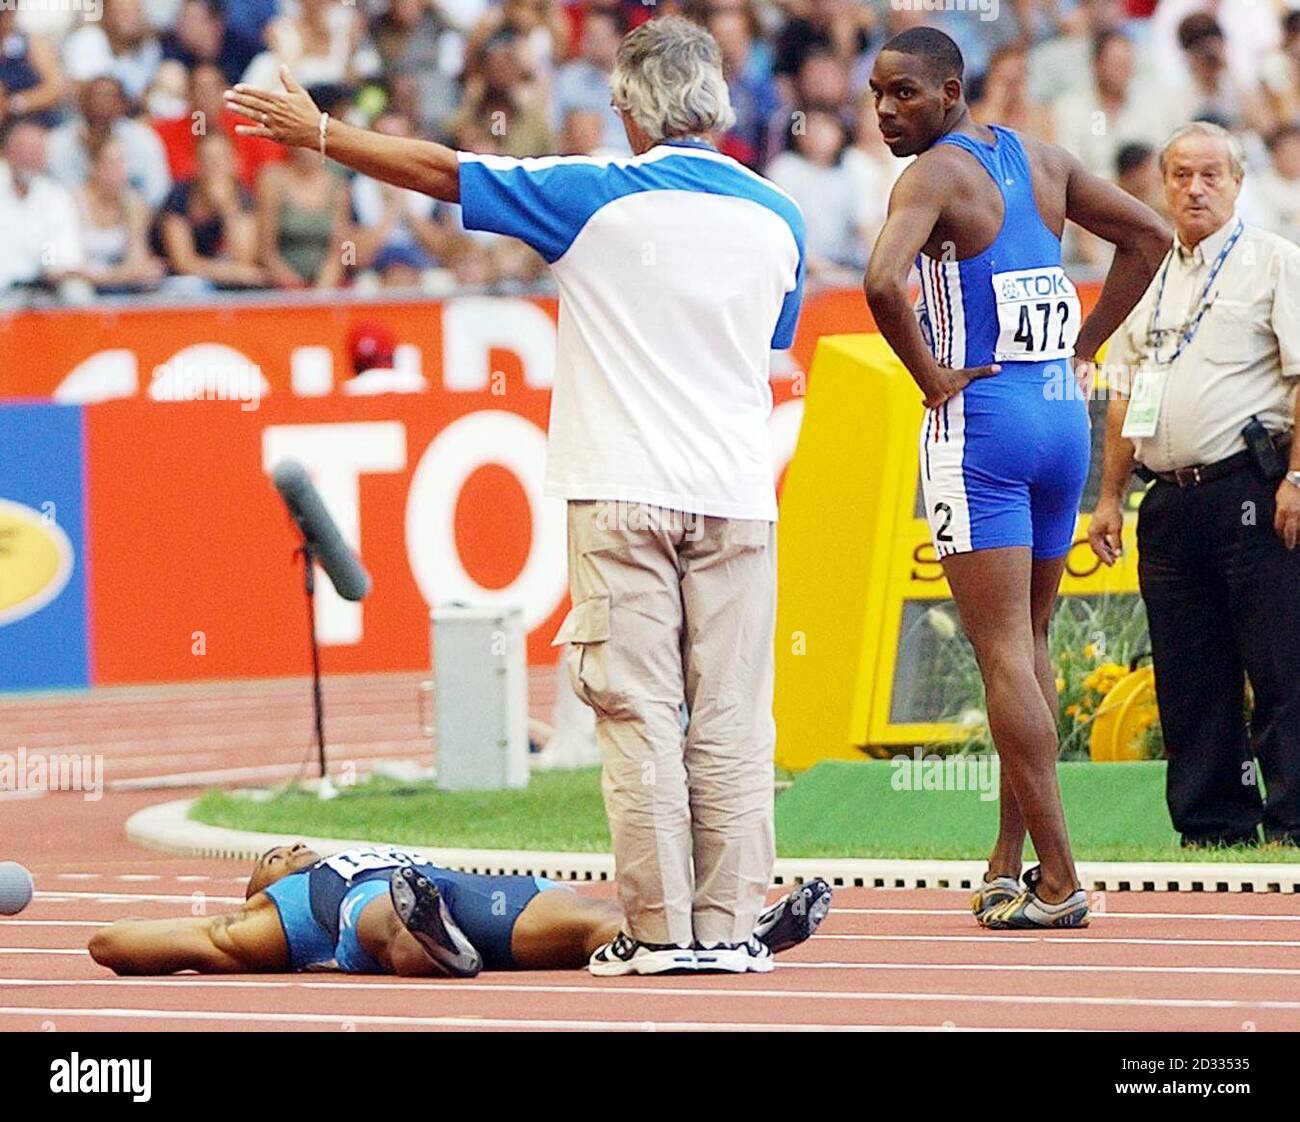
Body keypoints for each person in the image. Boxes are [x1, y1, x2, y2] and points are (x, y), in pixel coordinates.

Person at [226, 13, 804, 975]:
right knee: (735, 718)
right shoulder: (777, 214)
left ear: (627, 109)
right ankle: (733, 926)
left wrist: (321, 134)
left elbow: (442, 171)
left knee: (639, 714)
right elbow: (771, 335)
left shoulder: (591, 193)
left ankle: (663, 935)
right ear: (719, 103)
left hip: (623, 486)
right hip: (740, 493)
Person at [863, 27, 1169, 929]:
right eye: (877, 94)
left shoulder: (929, 178)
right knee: (1027, 647)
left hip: (981, 427)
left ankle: (1065, 879)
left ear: (951, 91)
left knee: (1000, 652)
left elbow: (883, 283)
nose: (886, 111)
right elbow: (1149, 236)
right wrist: (1085, 343)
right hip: (1059, 422)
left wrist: (931, 379)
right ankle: (1010, 860)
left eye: (905, 95)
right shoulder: (1042, 158)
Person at [1089, 121, 1300, 849]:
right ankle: (1212, 823)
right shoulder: (1146, 272)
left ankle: (1294, 820)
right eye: (1180, 174)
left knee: (1280, 661)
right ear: (1162, 184)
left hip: (1252, 484)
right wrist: (1110, 496)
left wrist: (1297, 478)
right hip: (1169, 498)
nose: (1194, 187)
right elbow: (1122, 391)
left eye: (1211, 174)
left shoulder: (1275, 262)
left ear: (1239, 182)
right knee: (1188, 669)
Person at [87, 844, 831, 976]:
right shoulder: (272, 915)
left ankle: (731, 932)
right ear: (258, 886)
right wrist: (229, 926)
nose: (291, 845)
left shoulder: (356, 846)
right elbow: (110, 944)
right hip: (369, 912)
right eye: (274, 854)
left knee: (596, 923)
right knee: (383, 916)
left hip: (466, 894)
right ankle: (428, 941)